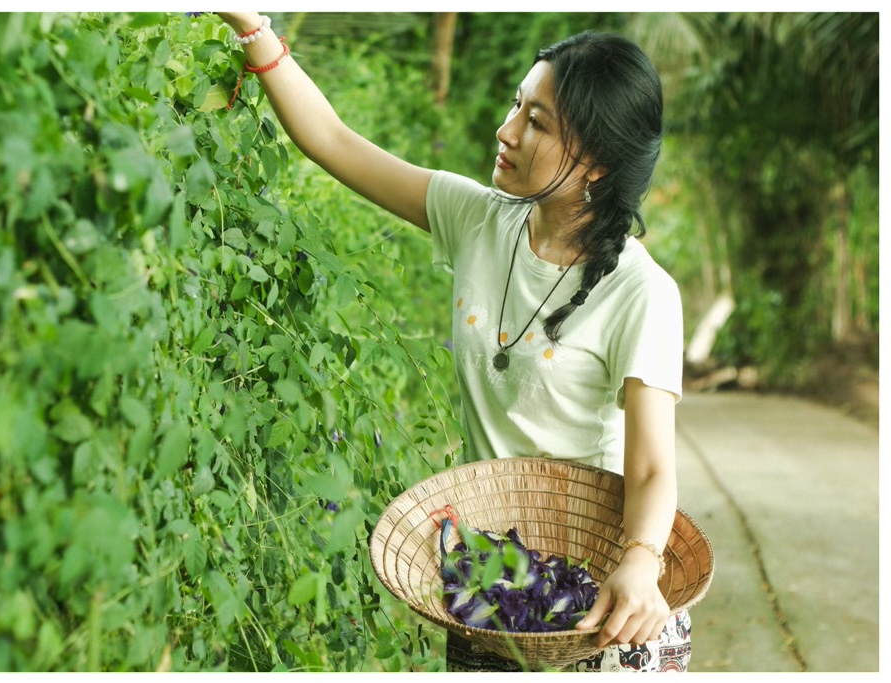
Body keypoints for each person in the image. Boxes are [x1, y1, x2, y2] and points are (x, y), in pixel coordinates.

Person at [215, 12, 690, 672]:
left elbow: (650, 468)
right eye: (517, 105)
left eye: (538, 122)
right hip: (492, 581)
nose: (507, 130)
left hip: (596, 601)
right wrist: (250, 26)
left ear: (597, 166)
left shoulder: (641, 292)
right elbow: (332, 140)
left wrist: (640, 562)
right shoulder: (479, 221)